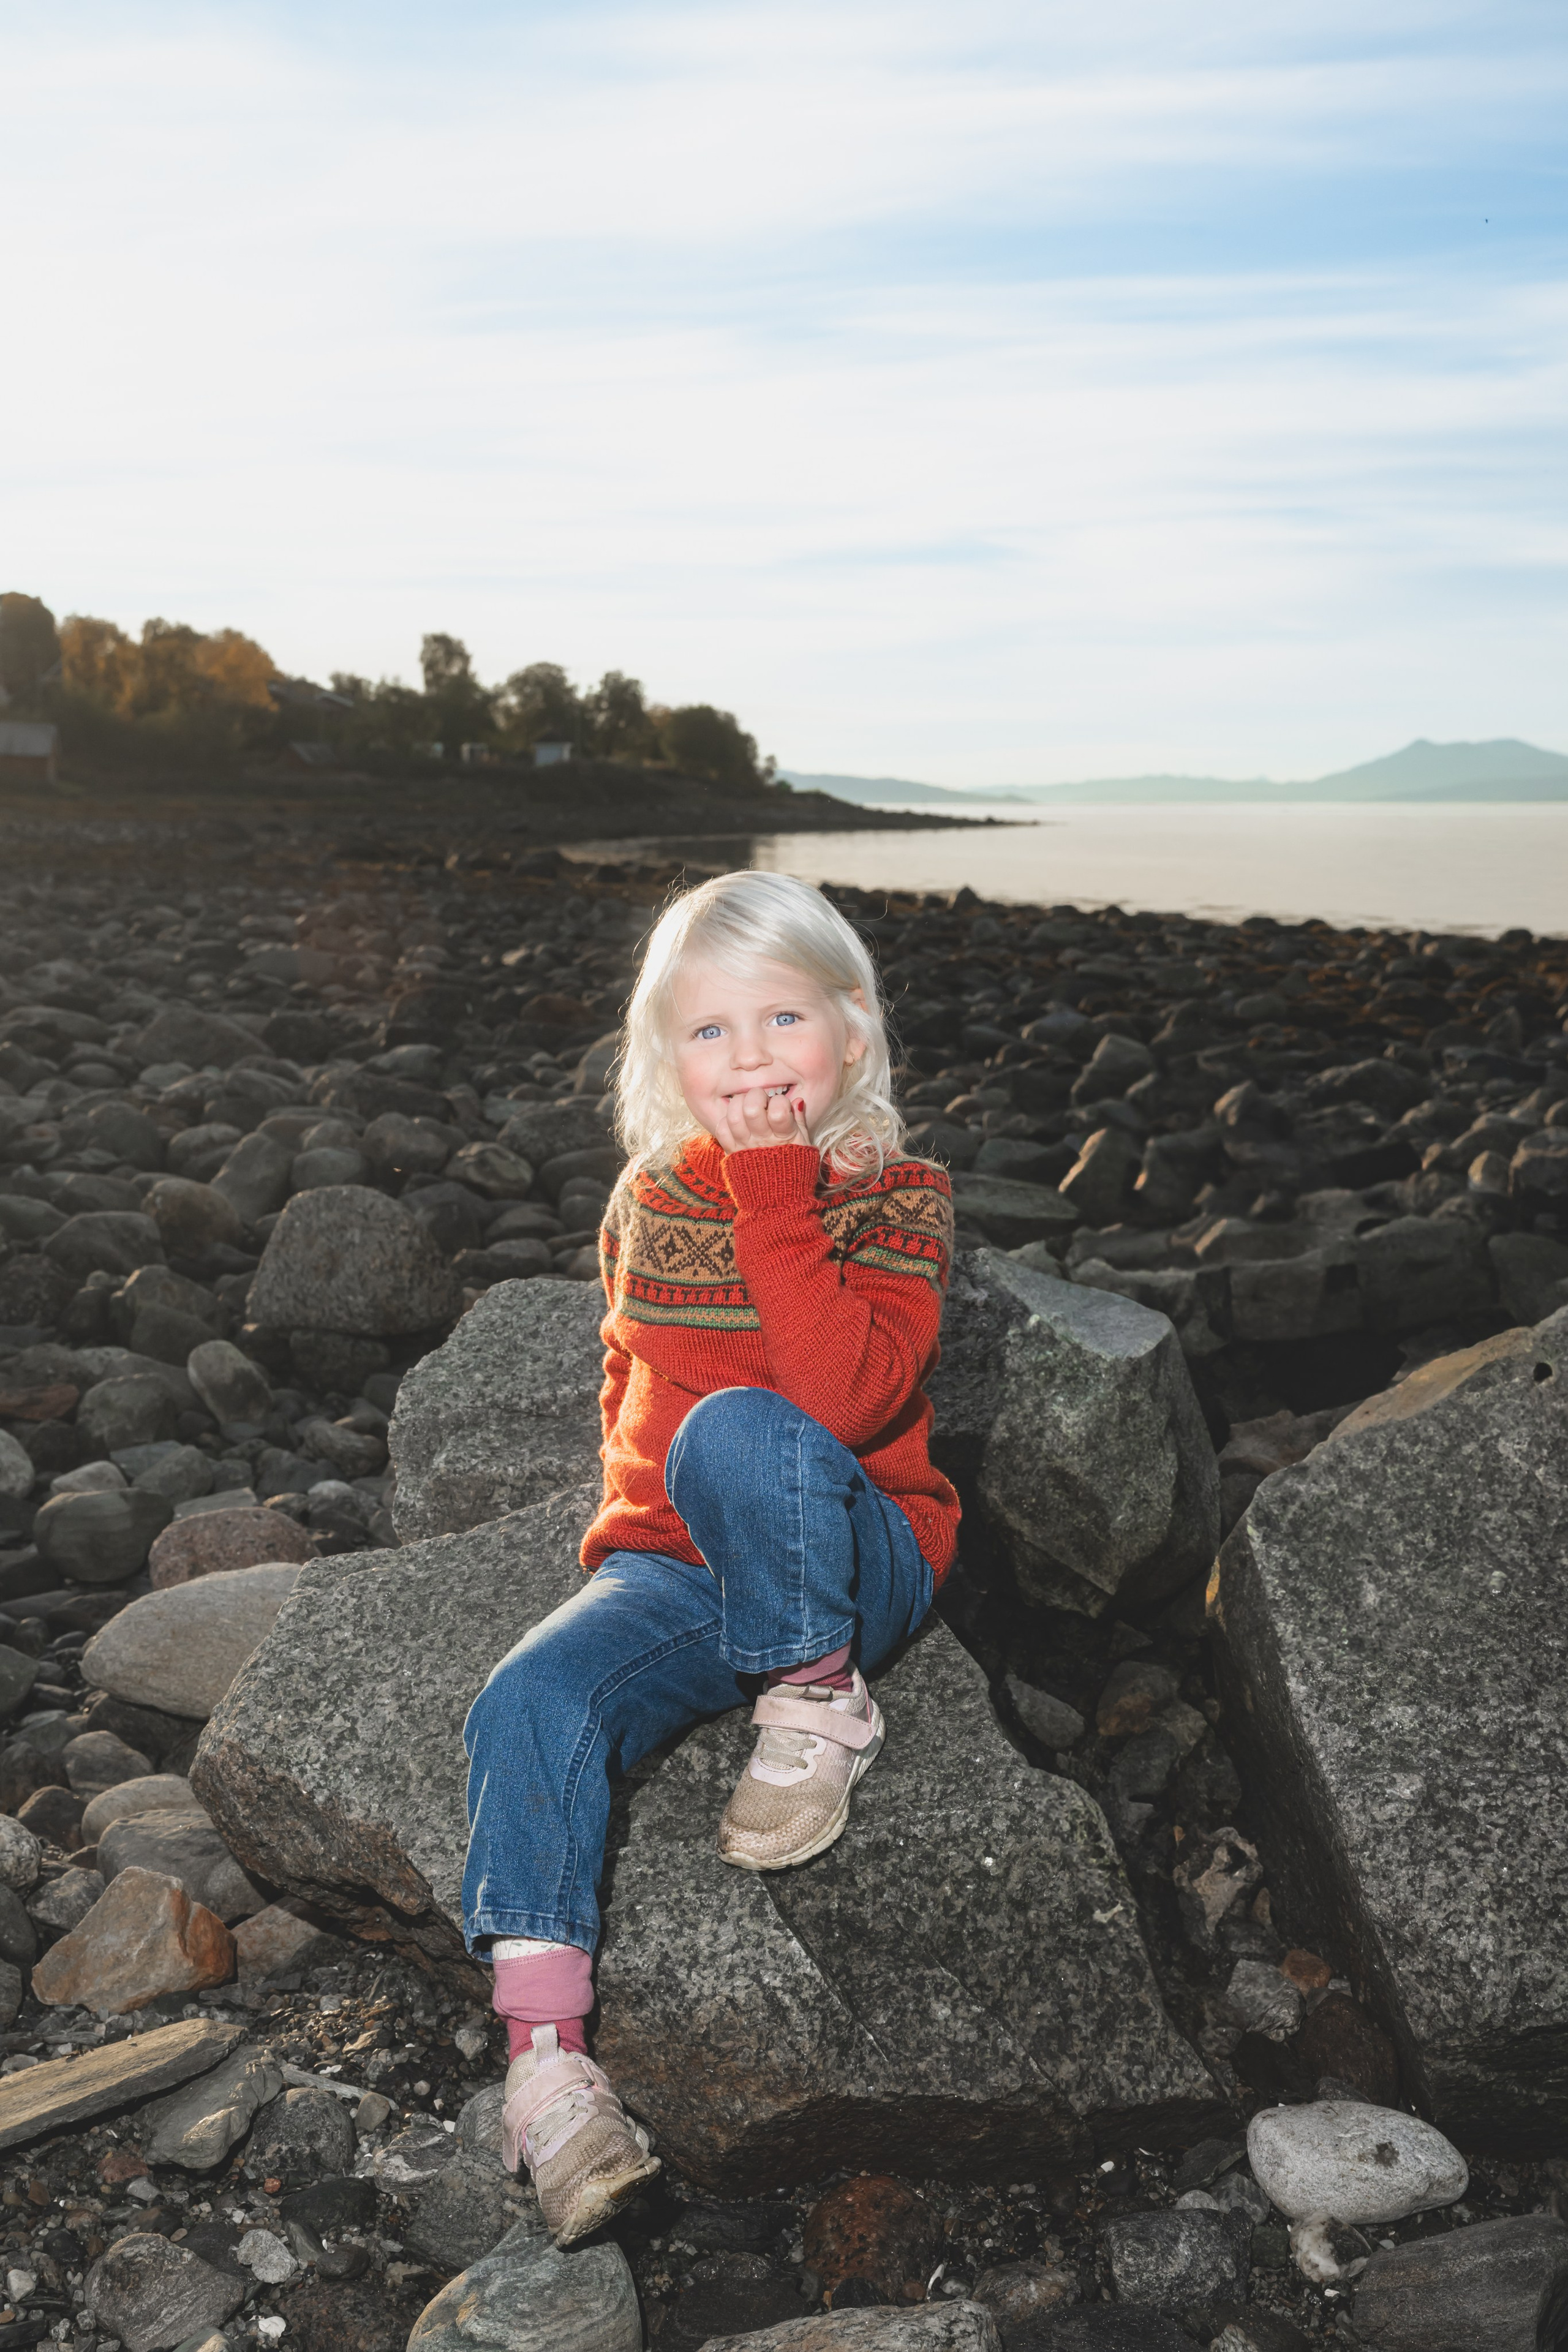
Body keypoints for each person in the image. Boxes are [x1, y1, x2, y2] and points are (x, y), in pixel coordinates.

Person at [461, 869, 959, 2244]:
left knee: (744, 1429)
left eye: (782, 1019)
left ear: (850, 1032)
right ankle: (547, 2072)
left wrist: (773, 1193)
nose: (748, 1060)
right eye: (709, 1033)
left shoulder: (895, 1197)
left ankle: (815, 1693)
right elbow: (628, 1380)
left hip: (854, 1545)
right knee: (526, 1700)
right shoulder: (643, 1199)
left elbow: (847, 1400)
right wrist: (624, 1555)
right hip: (679, 1569)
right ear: (660, 1056)